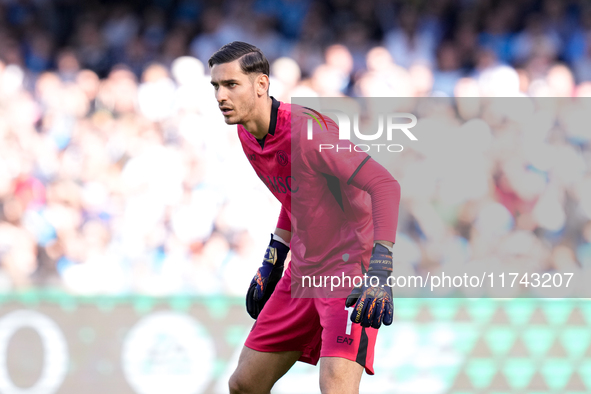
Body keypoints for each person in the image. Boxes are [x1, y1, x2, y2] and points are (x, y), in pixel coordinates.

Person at [209, 41, 401, 394]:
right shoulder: (246, 133)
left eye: (231, 84)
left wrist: (380, 265)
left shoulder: (307, 133)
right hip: (304, 269)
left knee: (336, 388)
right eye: (216, 86)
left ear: (261, 85)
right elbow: (297, 194)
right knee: (245, 384)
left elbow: (385, 184)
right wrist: (274, 255)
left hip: (349, 270)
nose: (221, 95)